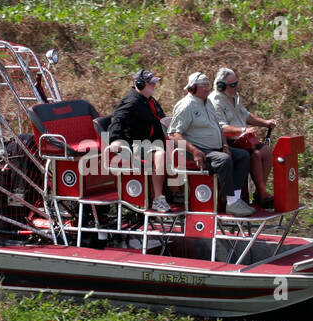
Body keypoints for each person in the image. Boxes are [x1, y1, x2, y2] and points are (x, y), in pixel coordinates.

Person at [168, 72, 254, 217]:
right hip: (197, 150)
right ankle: (230, 202)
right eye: (204, 86)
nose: (208, 89)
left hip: (215, 148)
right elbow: (174, 134)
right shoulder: (185, 106)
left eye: (208, 86)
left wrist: (225, 146)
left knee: (242, 156)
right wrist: (194, 151)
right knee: (223, 160)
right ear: (193, 88)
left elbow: (218, 128)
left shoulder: (208, 103)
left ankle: (235, 199)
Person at [209, 67, 279, 210]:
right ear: (221, 86)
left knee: (266, 151)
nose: (236, 87)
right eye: (232, 85)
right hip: (228, 141)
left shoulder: (235, 97)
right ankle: (262, 193)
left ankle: (260, 193)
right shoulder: (215, 101)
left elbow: (246, 115)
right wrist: (242, 130)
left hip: (243, 139)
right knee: (256, 154)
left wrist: (265, 122)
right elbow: (222, 128)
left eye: (236, 83)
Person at [108, 68, 172, 213]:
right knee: (160, 154)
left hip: (152, 141)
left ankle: (176, 195)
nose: (154, 86)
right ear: (140, 84)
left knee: (178, 148)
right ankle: (158, 199)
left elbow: (160, 120)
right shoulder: (131, 101)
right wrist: (115, 139)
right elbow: (117, 119)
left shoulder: (150, 101)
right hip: (136, 144)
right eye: (151, 83)